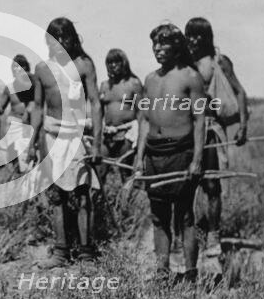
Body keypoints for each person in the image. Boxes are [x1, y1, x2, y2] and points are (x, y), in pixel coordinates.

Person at [28, 17, 103, 267]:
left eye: (66, 38)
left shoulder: (83, 65)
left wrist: (98, 142)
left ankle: (86, 254)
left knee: (83, 194)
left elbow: (95, 103)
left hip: (77, 136)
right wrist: (31, 145)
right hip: (51, 137)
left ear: (73, 38)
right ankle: (60, 252)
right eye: (55, 39)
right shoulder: (41, 69)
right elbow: (38, 108)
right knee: (56, 196)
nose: (61, 43)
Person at [134, 23, 206, 283]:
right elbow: (144, 120)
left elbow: (200, 120)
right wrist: (139, 157)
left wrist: (197, 159)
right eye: (155, 43)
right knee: (158, 216)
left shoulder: (191, 77)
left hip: (182, 152)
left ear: (177, 47)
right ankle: (162, 272)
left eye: (164, 43)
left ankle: (190, 274)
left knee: (185, 215)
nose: (158, 48)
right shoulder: (150, 79)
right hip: (154, 153)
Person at [185, 17, 249, 256]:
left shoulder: (218, 62)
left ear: (208, 37)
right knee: (186, 185)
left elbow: (239, 91)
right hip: (187, 130)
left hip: (211, 129)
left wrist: (243, 125)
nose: (194, 39)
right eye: (190, 34)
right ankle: (189, 234)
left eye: (199, 35)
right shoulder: (183, 62)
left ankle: (213, 235)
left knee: (211, 183)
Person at [98, 48, 143, 179]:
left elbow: (141, 111)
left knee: (126, 173)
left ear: (124, 63)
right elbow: (98, 111)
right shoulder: (104, 86)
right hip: (107, 134)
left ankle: (126, 199)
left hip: (127, 134)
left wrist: (140, 137)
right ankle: (101, 199)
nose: (113, 65)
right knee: (99, 171)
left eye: (117, 62)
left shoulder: (133, 83)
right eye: (110, 62)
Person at [0, 54, 36, 175]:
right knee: (12, 154)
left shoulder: (33, 87)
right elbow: (1, 106)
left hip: (29, 125)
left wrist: (28, 111)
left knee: (27, 156)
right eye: (15, 67)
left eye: (22, 67)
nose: (18, 70)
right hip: (13, 124)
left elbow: (36, 104)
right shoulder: (9, 88)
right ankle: (16, 175)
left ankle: (28, 178)